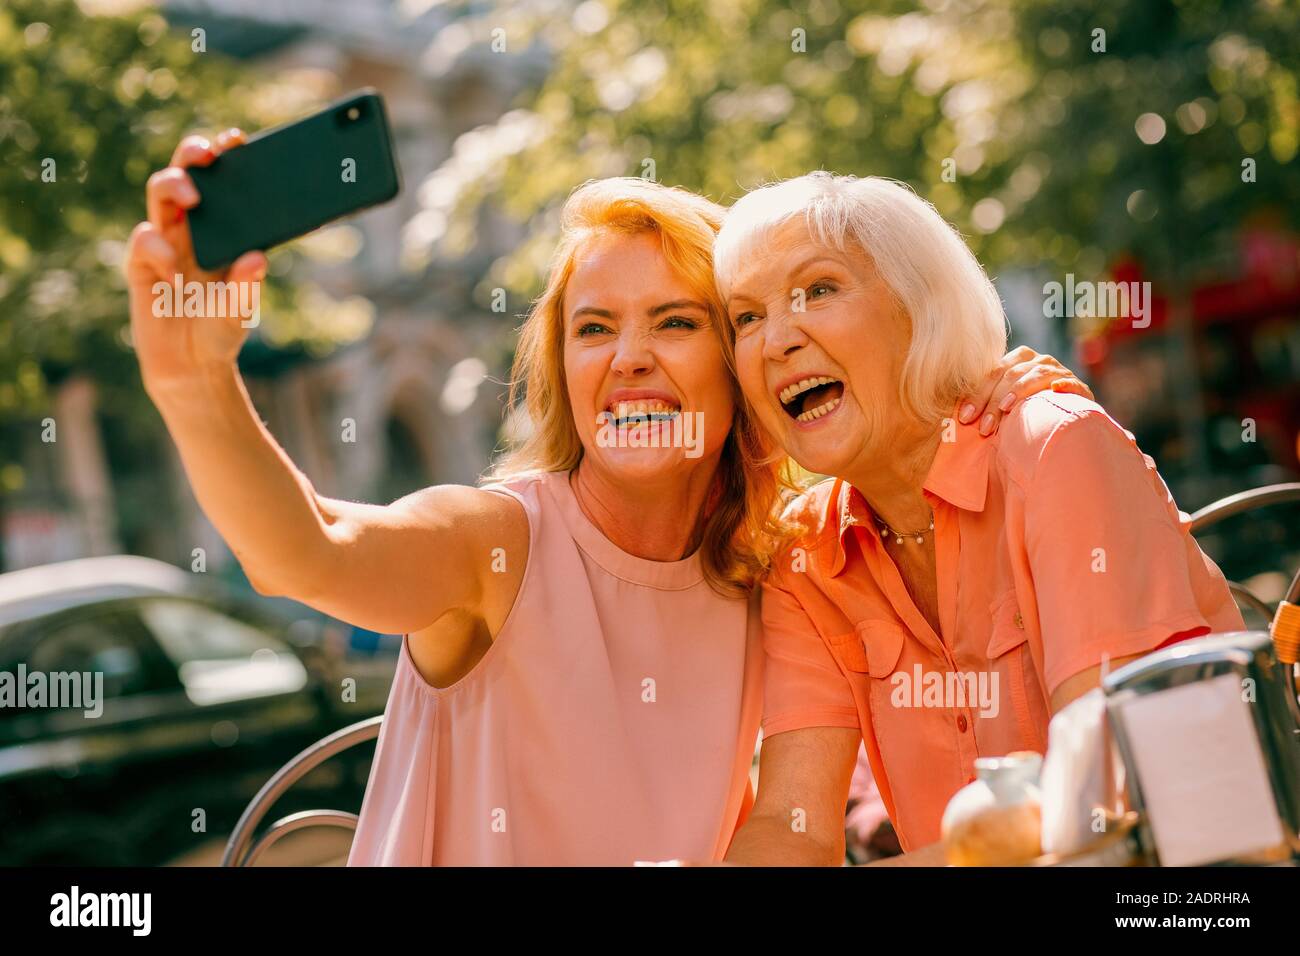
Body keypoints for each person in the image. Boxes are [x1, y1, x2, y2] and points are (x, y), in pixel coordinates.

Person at [124, 132, 1089, 864]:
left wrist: (985, 401)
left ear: (741, 364)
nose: (629, 359)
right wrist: (194, 381)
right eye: (594, 329)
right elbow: (309, 550)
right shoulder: (496, 541)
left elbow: (793, 821)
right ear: (563, 367)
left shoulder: (774, 576)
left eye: (675, 321)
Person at [713, 172, 1244, 863]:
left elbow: (1100, 802)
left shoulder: (1054, 448)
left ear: (921, 306)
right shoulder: (804, 558)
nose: (777, 338)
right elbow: (791, 824)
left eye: (818, 290)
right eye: (746, 317)